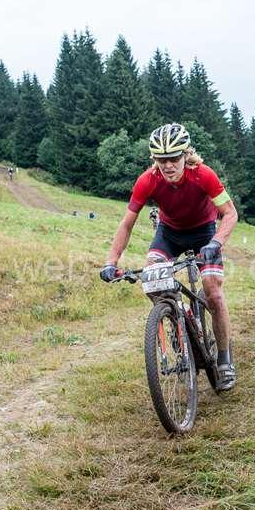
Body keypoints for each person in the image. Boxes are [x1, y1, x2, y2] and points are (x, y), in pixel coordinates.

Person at [100, 123, 239, 390]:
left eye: (174, 158)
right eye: (161, 159)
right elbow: (127, 223)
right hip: (169, 234)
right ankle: (177, 319)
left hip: (204, 232)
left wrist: (216, 242)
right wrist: (111, 261)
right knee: (152, 280)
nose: (168, 165)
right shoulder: (148, 180)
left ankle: (224, 358)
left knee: (213, 292)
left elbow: (230, 213)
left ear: (185, 155)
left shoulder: (204, 175)